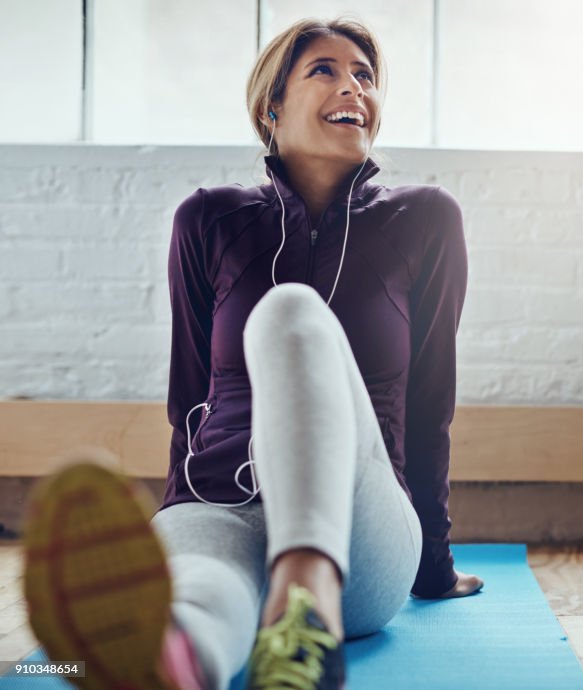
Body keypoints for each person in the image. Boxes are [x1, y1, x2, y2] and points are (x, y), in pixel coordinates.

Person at [22, 16, 482, 690]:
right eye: (324, 70)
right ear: (271, 106)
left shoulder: (424, 218)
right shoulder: (209, 219)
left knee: (290, 312)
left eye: (365, 75)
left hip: (362, 528)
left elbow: (428, 404)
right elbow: (190, 401)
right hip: (221, 502)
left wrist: (432, 566)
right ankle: (176, 662)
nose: (353, 85)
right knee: (203, 591)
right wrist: (182, 516)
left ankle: (309, 590)